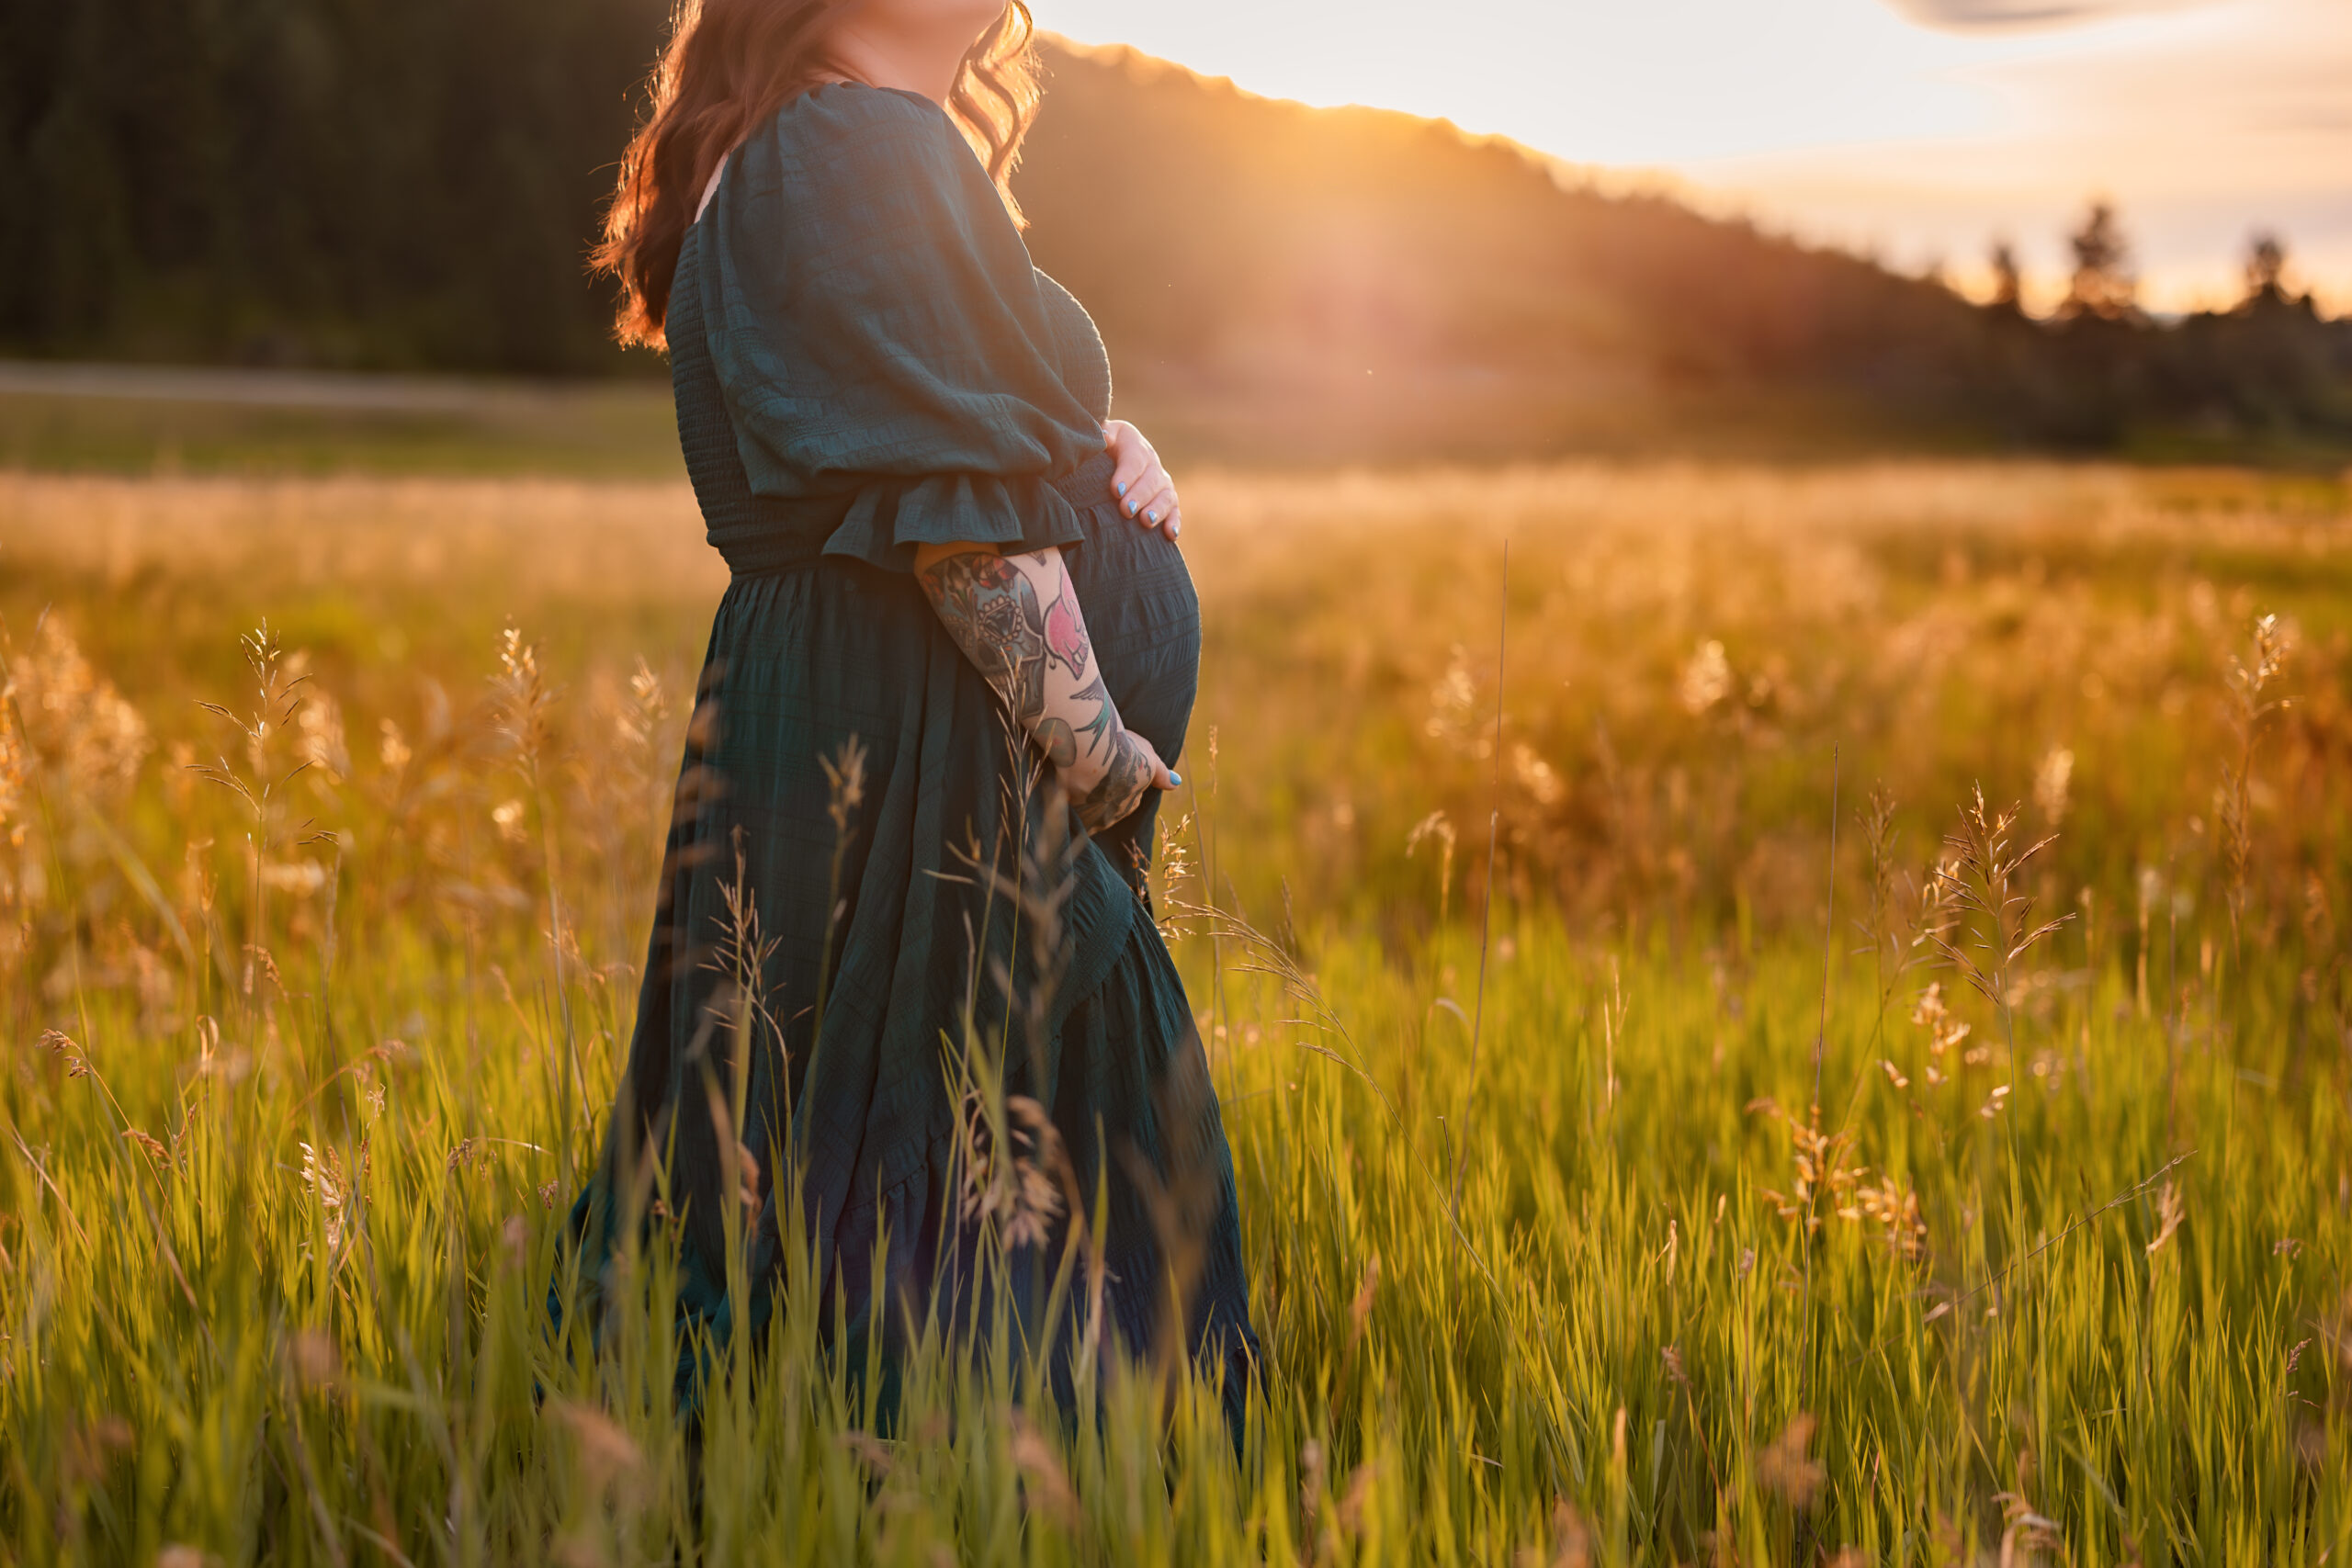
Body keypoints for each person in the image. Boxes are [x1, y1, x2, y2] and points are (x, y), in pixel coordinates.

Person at [552, 0, 1258, 1438]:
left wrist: (1101, 445)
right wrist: (1103, 762)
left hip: (882, 707)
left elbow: (941, 438)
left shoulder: (855, 142)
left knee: (851, 1145)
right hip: (928, 733)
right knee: (952, 1159)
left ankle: (839, 1470)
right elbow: (955, 529)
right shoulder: (846, 146)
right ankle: (965, 1489)